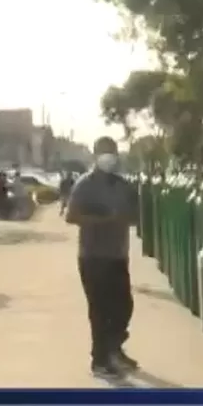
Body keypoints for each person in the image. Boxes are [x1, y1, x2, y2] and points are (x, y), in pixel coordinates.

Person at [66, 136, 138, 379]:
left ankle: (114, 348)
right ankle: (99, 360)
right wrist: (103, 219)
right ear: (96, 155)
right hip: (92, 256)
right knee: (100, 310)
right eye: (104, 152)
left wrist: (128, 216)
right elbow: (71, 216)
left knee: (124, 306)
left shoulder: (122, 185)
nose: (109, 157)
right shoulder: (84, 185)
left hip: (117, 254)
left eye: (112, 152)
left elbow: (134, 213)